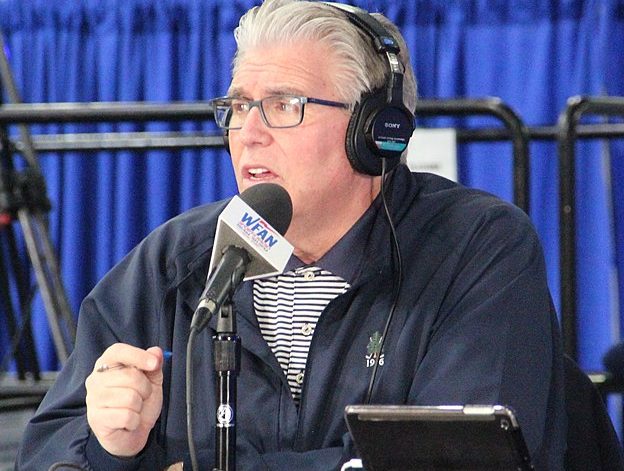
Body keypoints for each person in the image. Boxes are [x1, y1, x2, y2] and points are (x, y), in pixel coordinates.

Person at [15, 0, 566, 469]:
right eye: (236, 107)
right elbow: (49, 448)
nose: (248, 133)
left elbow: (458, 457)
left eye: (283, 105)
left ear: (374, 130)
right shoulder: (176, 260)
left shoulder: (475, 249)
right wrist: (114, 450)